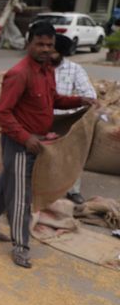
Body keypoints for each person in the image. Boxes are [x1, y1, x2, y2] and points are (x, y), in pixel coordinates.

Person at [0, 22, 95, 268]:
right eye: (40, 44)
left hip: (35, 141)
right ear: (28, 43)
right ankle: (21, 246)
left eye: (49, 45)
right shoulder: (19, 74)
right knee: (21, 196)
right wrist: (25, 138)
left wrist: (78, 100)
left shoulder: (46, 69)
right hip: (20, 144)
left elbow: (53, 100)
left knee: (5, 186)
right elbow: (3, 113)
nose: (45, 49)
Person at [51, 34, 97, 205]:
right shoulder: (39, 66)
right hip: (41, 117)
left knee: (73, 153)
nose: (48, 54)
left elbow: (90, 95)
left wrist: (74, 112)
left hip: (65, 119)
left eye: (53, 51)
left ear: (61, 53)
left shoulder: (74, 69)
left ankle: (73, 190)